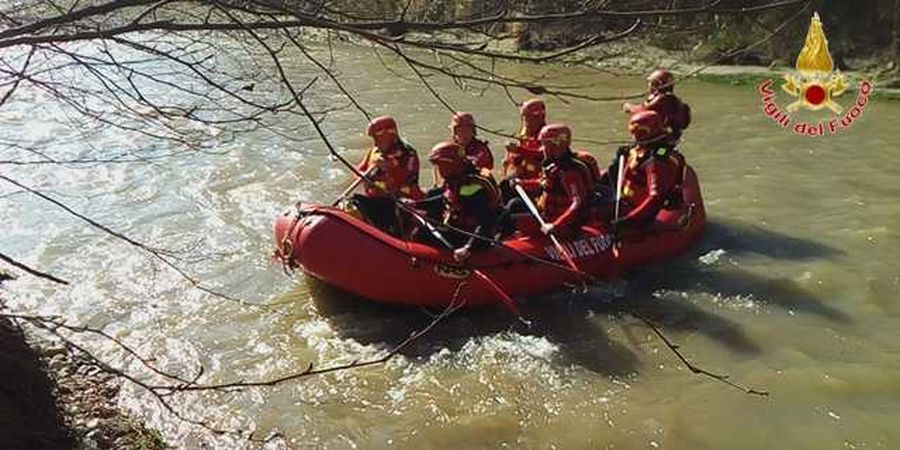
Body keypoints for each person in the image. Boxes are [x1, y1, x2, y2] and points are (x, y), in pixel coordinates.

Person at [511, 123, 599, 237]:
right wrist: (522, 183)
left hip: (562, 224)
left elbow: (578, 202)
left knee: (510, 220)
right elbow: (544, 183)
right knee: (515, 204)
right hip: (547, 215)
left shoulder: (568, 171)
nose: (542, 149)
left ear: (556, 145)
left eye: (545, 145)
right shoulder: (555, 165)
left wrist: (555, 225)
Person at [609, 111, 685, 232]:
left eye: (641, 131)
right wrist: (617, 161)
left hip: (642, 212)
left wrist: (629, 220)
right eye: (633, 130)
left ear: (653, 129)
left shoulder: (657, 160)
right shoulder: (637, 150)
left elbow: (655, 197)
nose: (635, 135)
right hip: (626, 200)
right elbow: (613, 175)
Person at [424, 141, 500, 261]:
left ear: (451, 165)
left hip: (473, 236)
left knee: (420, 234)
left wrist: (468, 248)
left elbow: (486, 221)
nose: (439, 170)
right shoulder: (456, 178)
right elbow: (445, 197)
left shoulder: (473, 188)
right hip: (459, 227)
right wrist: (416, 204)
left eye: (441, 166)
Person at [349, 115, 424, 236]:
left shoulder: (408, 154)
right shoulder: (374, 152)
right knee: (352, 204)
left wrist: (391, 168)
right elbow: (358, 170)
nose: (375, 142)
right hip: (375, 199)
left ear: (389, 135)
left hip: (398, 201)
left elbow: (409, 180)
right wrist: (363, 177)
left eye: (377, 138)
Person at [623, 69, 691, 146]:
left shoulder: (665, 98)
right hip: (666, 139)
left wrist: (629, 107)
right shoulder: (671, 99)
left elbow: (644, 110)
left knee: (660, 154)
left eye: (651, 82)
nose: (649, 85)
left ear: (657, 84)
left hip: (661, 141)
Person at [499, 98, 546, 200]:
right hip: (519, 178)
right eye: (524, 117)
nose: (526, 121)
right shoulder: (525, 132)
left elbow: (543, 153)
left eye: (528, 118)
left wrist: (519, 150)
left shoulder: (546, 135)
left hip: (535, 182)